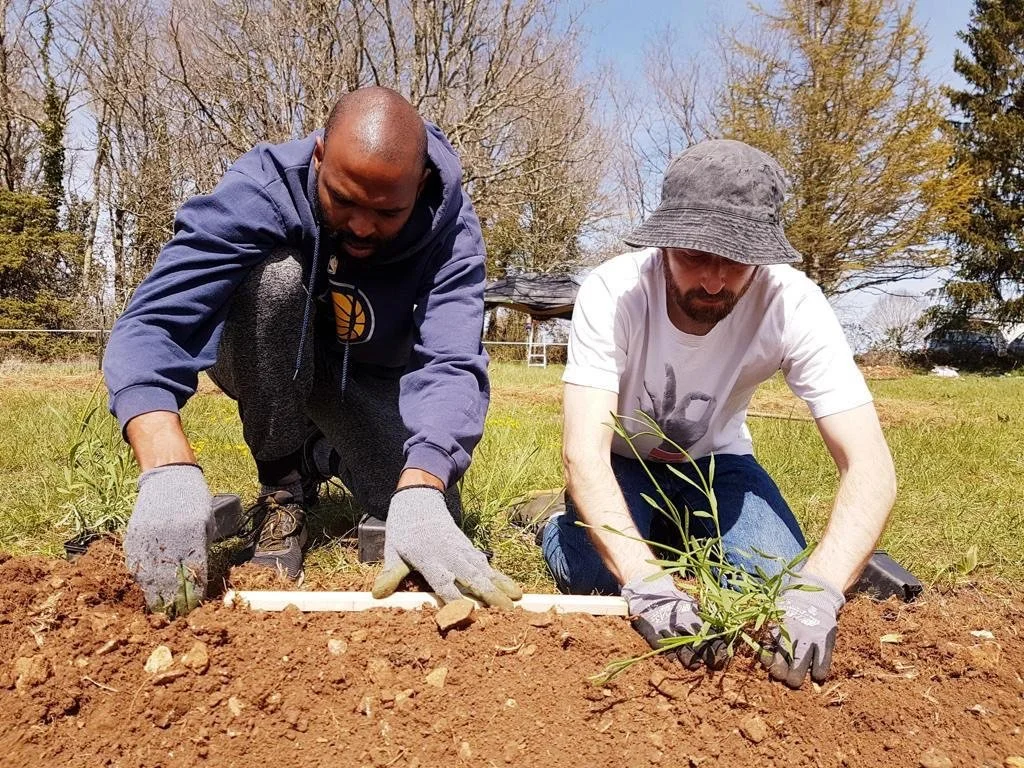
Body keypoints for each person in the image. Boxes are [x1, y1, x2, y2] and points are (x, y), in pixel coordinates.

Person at [103, 86, 521, 616]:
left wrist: (424, 480)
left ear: (419, 185)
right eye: (343, 200)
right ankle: (284, 484)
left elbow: (452, 360)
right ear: (319, 156)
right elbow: (158, 317)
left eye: (387, 211)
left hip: (370, 377)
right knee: (275, 281)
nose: (362, 226)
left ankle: (323, 450)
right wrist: (165, 462)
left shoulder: (450, 225)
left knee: (431, 524)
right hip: (266, 349)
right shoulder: (264, 185)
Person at [545, 139, 897, 688]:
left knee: (777, 579)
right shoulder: (612, 291)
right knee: (595, 577)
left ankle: (675, 527)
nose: (712, 281)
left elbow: (871, 466)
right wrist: (643, 579)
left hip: (717, 462)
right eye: (693, 257)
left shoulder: (793, 304)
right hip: (620, 461)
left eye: (734, 262)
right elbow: (582, 453)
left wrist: (823, 587)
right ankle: (554, 521)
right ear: (664, 244)